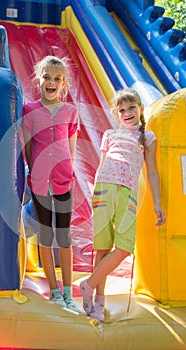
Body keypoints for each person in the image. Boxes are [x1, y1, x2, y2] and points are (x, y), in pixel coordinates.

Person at [80, 88, 166, 321]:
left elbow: (152, 172)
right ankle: (98, 302)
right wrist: (94, 196)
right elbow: (101, 166)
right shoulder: (110, 134)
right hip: (105, 189)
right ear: (117, 114)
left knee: (124, 247)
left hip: (127, 193)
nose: (127, 112)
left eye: (131, 108)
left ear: (140, 108)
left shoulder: (147, 137)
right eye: (122, 110)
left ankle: (87, 284)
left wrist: (158, 204)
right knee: (102, 246)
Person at [22, 55, 80, 312]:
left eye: (57, 78)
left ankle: (68, 292)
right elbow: (28, 146)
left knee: (64, 237)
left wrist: (70, 173)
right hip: (40, 181)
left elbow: (72, 147)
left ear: (64, 83)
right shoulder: (29, 110)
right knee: (46, 236)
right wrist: (34, 173)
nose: (51, 82)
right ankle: (54, 291)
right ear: (39, 79)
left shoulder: (70, 111)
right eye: (47, 77)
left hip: (64, 180)